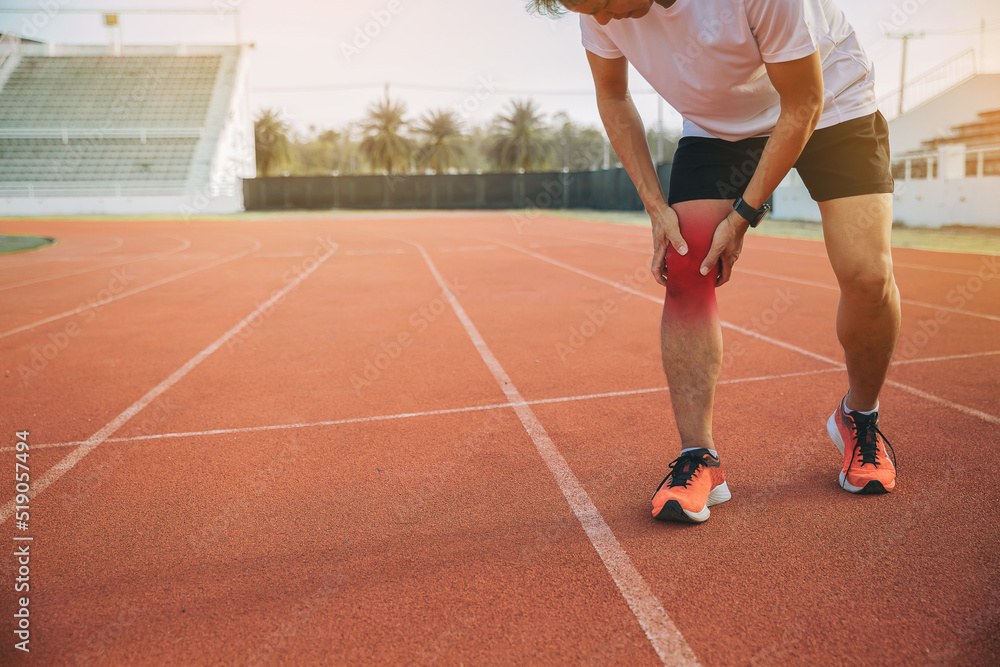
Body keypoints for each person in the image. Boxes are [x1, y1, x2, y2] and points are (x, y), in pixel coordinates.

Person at [529, 0, 900, 523]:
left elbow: (803, 103)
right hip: (718, 127)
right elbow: (613, 97)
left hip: (832, 103)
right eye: (585, 10)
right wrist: (658, 209)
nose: (602, 19)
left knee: (868, 275)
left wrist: (745, 213)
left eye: (604, 3)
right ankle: (698, 456)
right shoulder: (596, 12)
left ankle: (858, 417)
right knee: (684, 264)